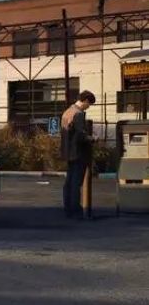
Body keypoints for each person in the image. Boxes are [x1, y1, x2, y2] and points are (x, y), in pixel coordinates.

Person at [60, 90, 95, 219]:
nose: (88, 107)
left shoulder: (67, 111)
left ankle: (67, 208)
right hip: (78, 151)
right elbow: (80, 135)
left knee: (69, 180)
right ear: (85, 101)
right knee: (76, 182)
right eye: (89, 104)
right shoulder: (78, 114)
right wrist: (92, 138)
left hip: (67, 151)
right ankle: (76, 209)